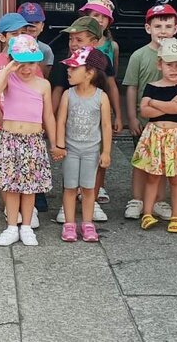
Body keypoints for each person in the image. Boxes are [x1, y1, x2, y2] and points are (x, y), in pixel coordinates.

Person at [0, 35, 60, 247]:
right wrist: (8, 70)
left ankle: (26, 226)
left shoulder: (43, 84)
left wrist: (54, 143)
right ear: (12, 61)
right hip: (9, 139)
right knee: (11, 186)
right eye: (21, 63)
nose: (26, 69)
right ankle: (11, 226)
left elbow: (48, 116)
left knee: (30, 187)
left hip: (33, 140)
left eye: (31, 63)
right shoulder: (9, 80)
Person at [51, 16, 121, 223]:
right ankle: (68, 206)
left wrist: (118, 113)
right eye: (71, 39)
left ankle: (93, 198)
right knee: (70, 168)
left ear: (94, 42)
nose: (73, 44)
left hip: (94, 120)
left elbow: (112, 85)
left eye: (79, 40)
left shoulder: (102, 61)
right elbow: (56, 90)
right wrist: (52, 124)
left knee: (96, 162)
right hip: (70, 120)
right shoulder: (64, 63)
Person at [0, 12, 41, 225]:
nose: (20, 36)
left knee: (26, 170)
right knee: (4, 171)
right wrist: (1, 121)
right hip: (1, 126)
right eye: (14, 33)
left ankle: (27, 211)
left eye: (24, 32)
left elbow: (37, 94)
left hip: (26, 129)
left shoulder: (32, 62)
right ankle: (10, 209)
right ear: (2, 37)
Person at [131, 38, 177, 234]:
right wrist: (166, 106)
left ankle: (176, 216)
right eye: (169, 64)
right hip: (154, 134)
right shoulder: (151, 85)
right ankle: (147, 213)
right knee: (153, 177)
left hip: (175, 136)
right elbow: (144, 111)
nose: (174, 69)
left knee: (175, 178)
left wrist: (155, 104)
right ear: (160, 64)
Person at [123, 3, 177, 221]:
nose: (162, 31)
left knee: (163, 163)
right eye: (157, 26)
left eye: (167, 26)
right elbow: (131, 87)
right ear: (148, 29)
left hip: (169, 122)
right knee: (141, 161)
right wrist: (132, 117)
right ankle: (136, 199)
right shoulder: (138, 55)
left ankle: (158, 200)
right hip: (144, 121)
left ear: (175, 29)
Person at [54, 47, 112, 243]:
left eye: (74, 68)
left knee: (88, 188)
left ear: (89, 73)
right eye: (69, 68)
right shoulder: (68, 95)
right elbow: (61, 120)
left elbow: (106, 125)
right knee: (69, 187)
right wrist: (59, 145)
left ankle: (88, 223)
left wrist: (106, 151)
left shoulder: (101, 97)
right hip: (70, 149)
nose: (68, 71)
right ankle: (69, 224)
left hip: (91, 151)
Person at [79, 0, 119, 76]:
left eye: (105, 16)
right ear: (87, 18)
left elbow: (113, 75)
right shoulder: (78, 43)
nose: (100, 20)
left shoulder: (113, 46)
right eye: (96, 15)